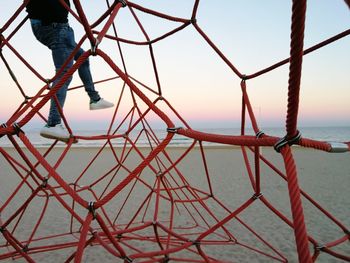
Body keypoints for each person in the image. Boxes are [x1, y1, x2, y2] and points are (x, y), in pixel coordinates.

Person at [26, 0, 114, 142]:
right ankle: (53, 123)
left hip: (48, 26)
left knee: (83, 58)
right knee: (64, 75)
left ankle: (94, 98)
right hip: (55, 27)